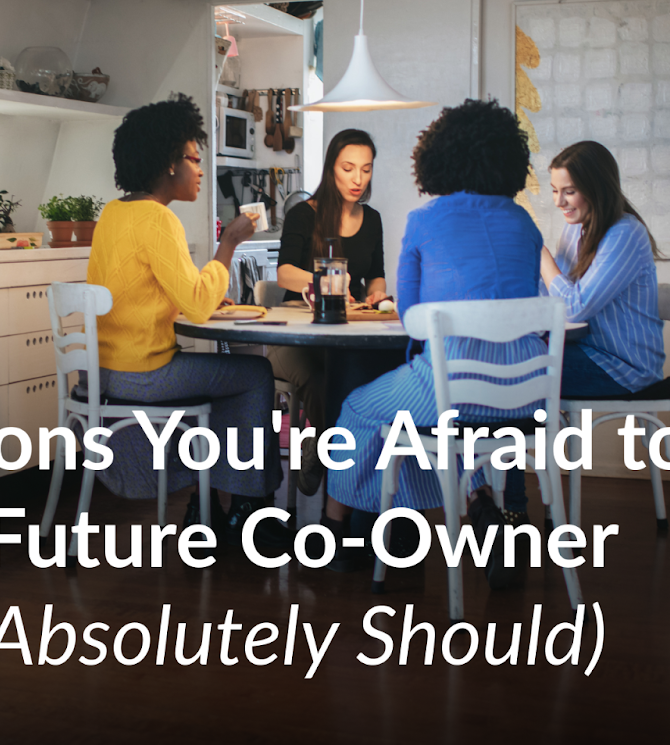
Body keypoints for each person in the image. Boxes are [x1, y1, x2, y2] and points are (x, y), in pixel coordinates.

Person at [323, 99, 545, 572]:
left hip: (454, 390)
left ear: (438, 157)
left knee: (358, 408)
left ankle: (333, 533)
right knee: (426, 425)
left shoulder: (425, 221)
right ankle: (478, 501)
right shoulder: (524, 222)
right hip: (528, 395)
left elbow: (413, 317)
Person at [86, 94, 289, 550]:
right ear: (167, 164)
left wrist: (202, 296)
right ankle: (245, 508)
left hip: (109, 372)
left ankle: (211, 506)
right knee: (254, 373)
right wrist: (228, 244)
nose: (201, 169)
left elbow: (149, 294)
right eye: (194, 159)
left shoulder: (113, 215)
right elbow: (197, 306)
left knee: (229, 379)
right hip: (145, 376)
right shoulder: (158, 220)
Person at [270, 129, 388, 495]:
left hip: (348, 327)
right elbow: (284, 272)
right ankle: (337, 467)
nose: (357, 179)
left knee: (371, 377)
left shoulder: (372, 219)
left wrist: (377, 295)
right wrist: (328, 279)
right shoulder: (304, 215)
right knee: (323, 379)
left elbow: (376, 276)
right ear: (330, 169)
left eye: (366, 170)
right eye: (348, 168)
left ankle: (336, 462)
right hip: (295, 328)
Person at [539, 140, 665, 397]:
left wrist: (541, 255)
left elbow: (573, 309)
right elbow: (556, 295)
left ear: (596, 188)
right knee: (510, 355)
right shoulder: (574, 228)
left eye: (569, 191)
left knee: (515, 368)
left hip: (623, 367)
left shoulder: (625, 233)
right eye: (554, 190)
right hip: (588, 350)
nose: (559, 202)